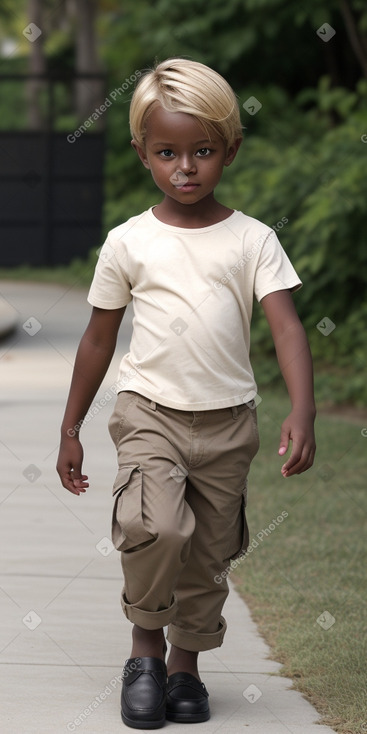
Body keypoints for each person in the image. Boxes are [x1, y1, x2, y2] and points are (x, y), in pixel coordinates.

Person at [57, 57, 316, 730]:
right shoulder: (129, 243)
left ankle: (185, 666)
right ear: (143, 153)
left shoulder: (252, 240)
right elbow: (96, 340)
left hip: (228, 424)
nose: (185, 167)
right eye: (167, 152)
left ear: (228, 150)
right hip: (149, 414)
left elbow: (286, 328)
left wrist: (302, 408)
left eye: (202, 151)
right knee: (156, 527)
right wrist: (70, 428)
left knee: (207, 553)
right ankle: (144, 651)